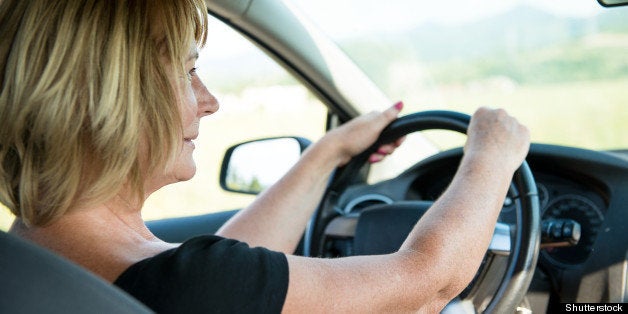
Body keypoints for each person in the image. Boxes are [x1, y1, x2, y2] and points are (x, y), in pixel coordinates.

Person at [0, 0, 530, 313]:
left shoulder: (30, 258)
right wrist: (493, 150)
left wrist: (325, 155)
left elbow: (220, 276)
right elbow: (429, 281)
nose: (210, 101)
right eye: (188, 72)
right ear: (114, 98)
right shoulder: (186, 283)